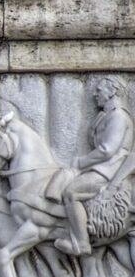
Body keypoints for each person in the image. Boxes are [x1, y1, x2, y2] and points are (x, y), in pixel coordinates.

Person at [54, 76, 134, 256]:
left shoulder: (118, 116)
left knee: (71, 193)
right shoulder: (107, 115)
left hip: (109, 171)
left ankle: (81, 243)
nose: (96, 93)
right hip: (100, 168)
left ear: (113, 90)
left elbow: (107, 150)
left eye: (100, 89)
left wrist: (81, 162)